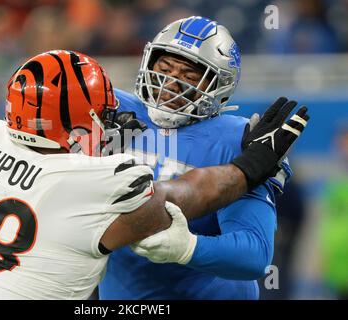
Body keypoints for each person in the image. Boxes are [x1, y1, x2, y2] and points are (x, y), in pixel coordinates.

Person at [0, 50, 308, 300]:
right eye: (105, 114)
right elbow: (185, 194)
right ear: (81, 126)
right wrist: (248, 168)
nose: (113, 120)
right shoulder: (97, 180)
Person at [99, 16, 302, 300]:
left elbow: (255, 253)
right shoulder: (110, 109)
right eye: (164, 68)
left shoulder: (237, 138)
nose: (169, 83)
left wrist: (189, 248)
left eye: (189, 76)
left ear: (219, 87)